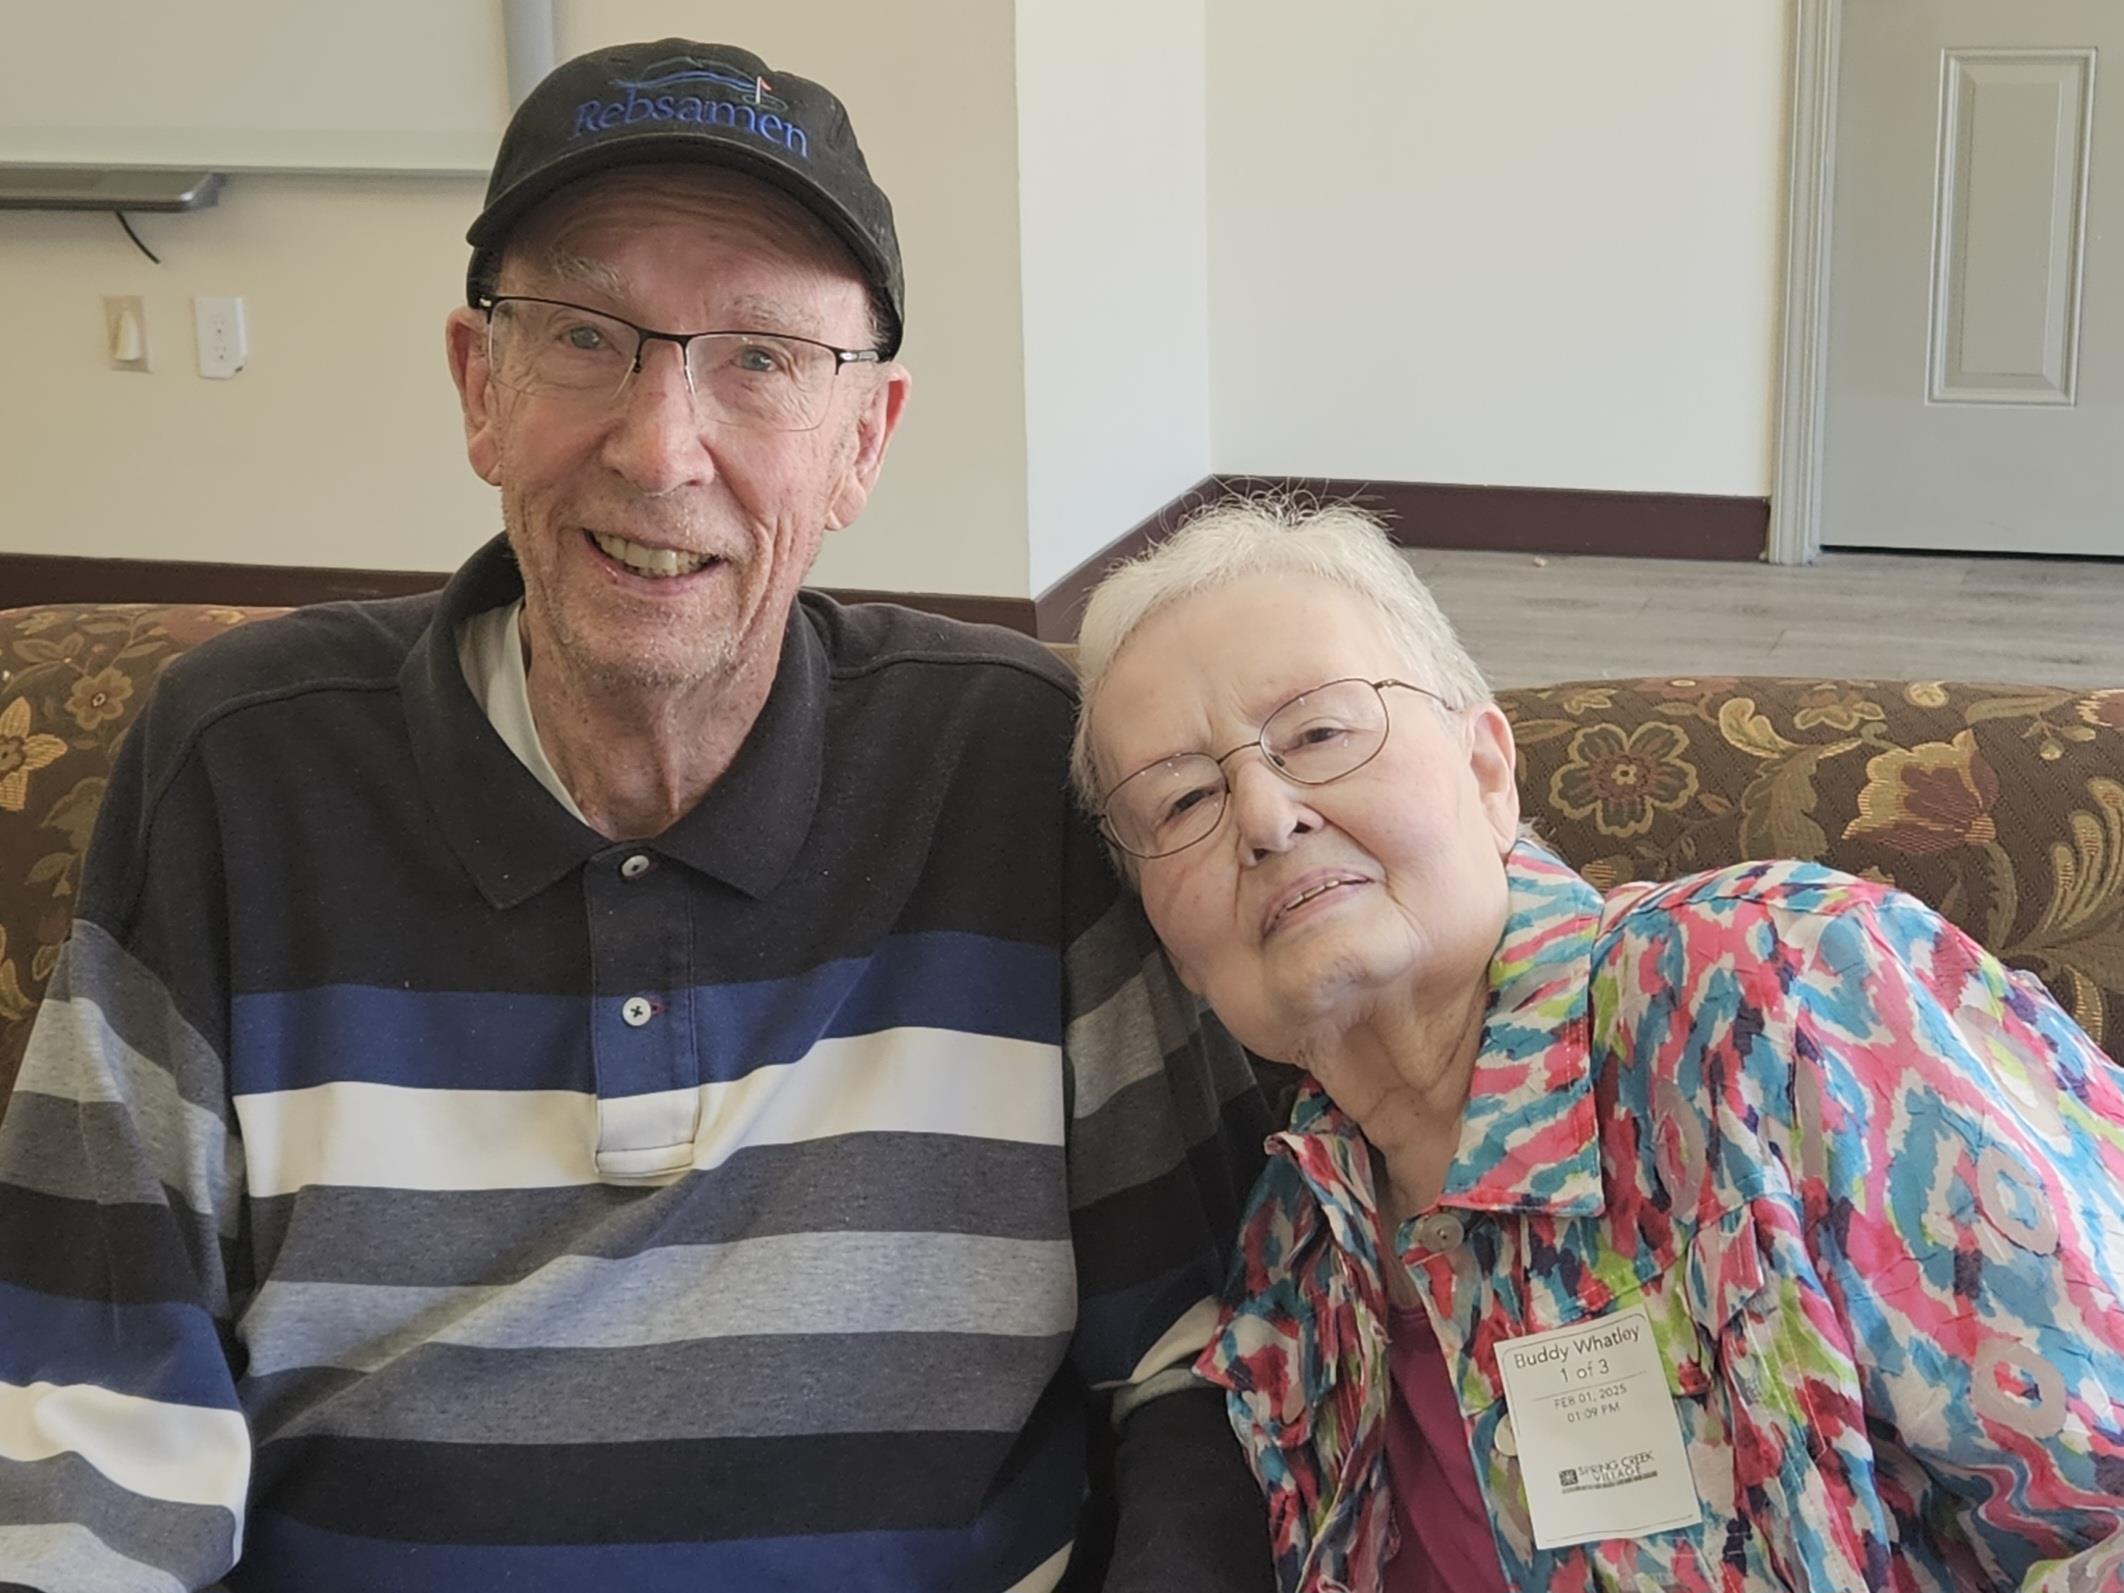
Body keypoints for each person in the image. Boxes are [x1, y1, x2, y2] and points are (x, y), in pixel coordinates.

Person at [0, 40, 1277, 1593]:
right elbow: (92, 1411)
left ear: (863, 439)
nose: (661, 446)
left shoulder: (1020, 766)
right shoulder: (242, 767)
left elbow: (1195, 1363)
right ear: (481, 387)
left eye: (759, 358)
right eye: (588, 338)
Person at [1067, 498, 2124, 1592]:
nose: (1264, 814)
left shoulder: (1781, 992)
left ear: (1488, 773)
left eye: (1320, 733)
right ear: (1175, 947)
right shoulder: (1295, 1252)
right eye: (1185, 797)